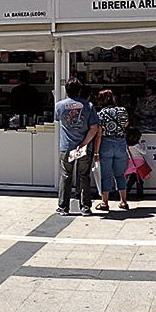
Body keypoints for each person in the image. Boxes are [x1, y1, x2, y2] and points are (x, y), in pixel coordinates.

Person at [55, 77, 100, 216]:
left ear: (66, 90)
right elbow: (94, 128)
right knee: (84, 176)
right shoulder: (88, 106)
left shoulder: (59, 106)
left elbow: (58, 119)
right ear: (80, 90)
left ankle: (63, 207)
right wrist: (84, 143)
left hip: (67, 147)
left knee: (66, 176)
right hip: (84, 148)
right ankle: (85, 207)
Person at [93, 89, 130, 212]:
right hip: (120, 143)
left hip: (106, 144)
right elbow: (126, 125)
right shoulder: (122, 110)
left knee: (106, 175)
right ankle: (123, 201)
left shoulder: (101, 114)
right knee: (120, 174)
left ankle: (105, 202)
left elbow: (99, 135)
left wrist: (96, 152)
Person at [124, 128, 148, 199]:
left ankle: (126, 192)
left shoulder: (127, 145)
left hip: (132, 163)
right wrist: (144, 144)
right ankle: (139, 194)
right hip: (139, 163)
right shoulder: (136, 145)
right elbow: (144, 152)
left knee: (133, 179)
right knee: (139, 180)